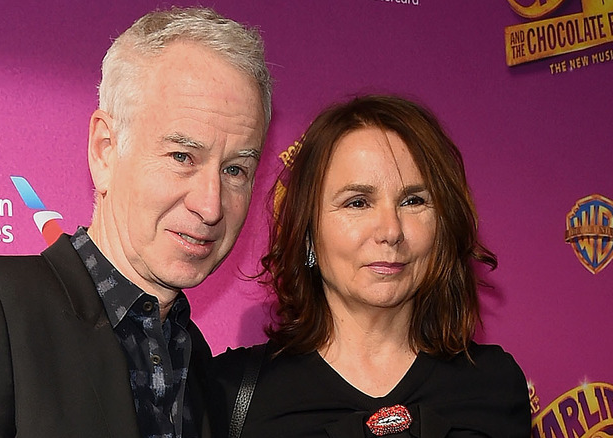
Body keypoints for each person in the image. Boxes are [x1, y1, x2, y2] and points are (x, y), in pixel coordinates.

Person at [0, 7, 271, 438]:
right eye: (182, 157)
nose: (211, 205)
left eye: (235, 169)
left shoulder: (195, 358)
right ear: (105, 150)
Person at [210, 95, 530, 437]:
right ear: (307, 234)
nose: (391, 231)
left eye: (413, 201)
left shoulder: (496, 383)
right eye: (358, 202)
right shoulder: (229, 392)